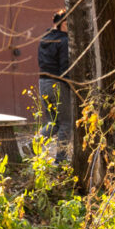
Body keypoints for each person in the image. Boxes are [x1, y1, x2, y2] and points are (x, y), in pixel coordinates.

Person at [37, 9, 71, 163]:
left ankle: (32, 145)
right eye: (68, 23)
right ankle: (61, 160)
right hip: (57, 84)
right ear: (62, 24)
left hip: (43, 83)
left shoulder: (45, 38)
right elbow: (65, 68)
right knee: (66, 123)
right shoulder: (64, 41)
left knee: (54, 122)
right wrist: (71, 85)